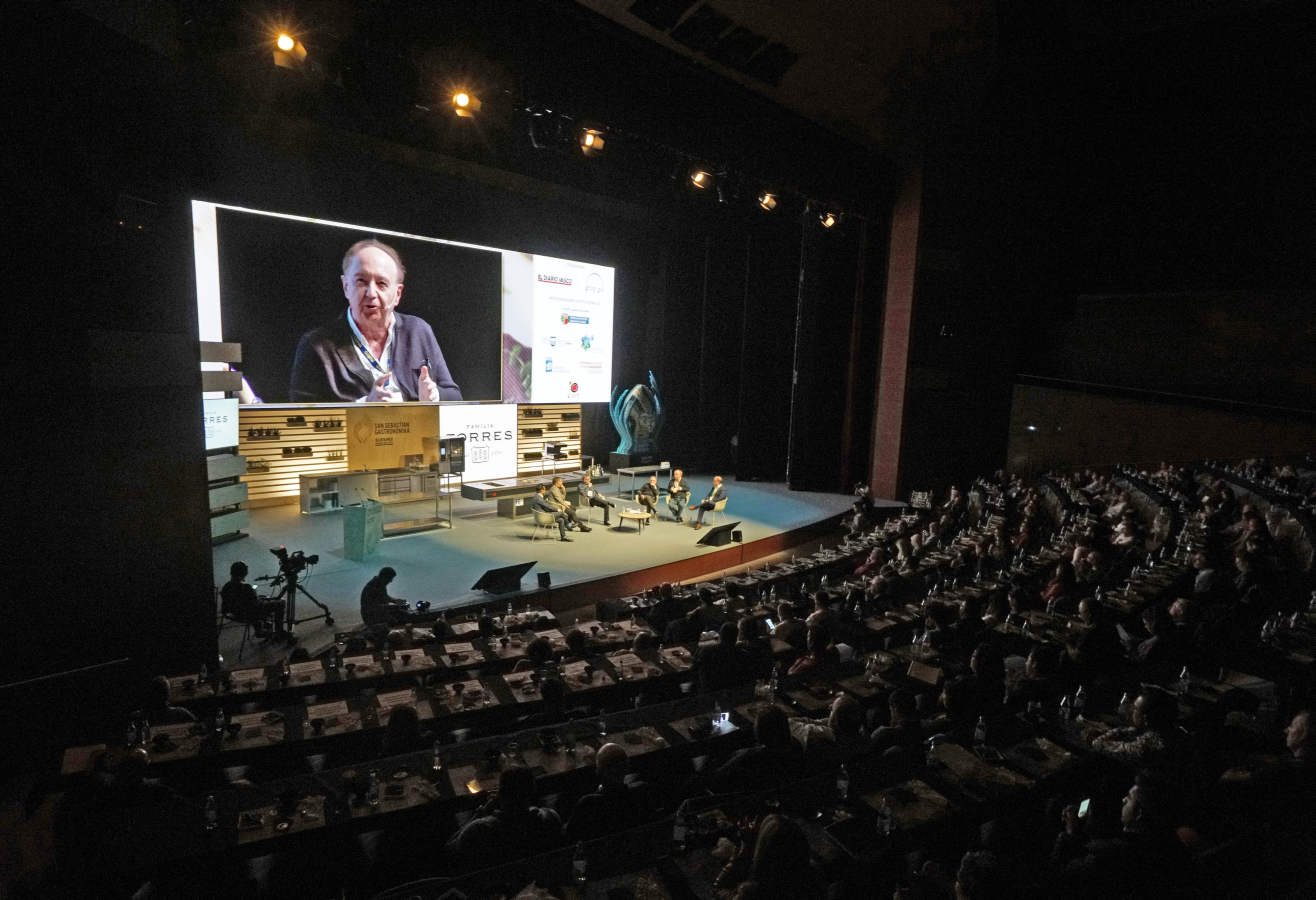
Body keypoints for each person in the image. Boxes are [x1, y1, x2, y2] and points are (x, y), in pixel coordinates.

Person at [289, 239, 461, 402]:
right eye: (361, 281)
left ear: (397, 294)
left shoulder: (418, 331)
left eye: (381, 283)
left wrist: (433, 396)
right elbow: (302, 416)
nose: (371, 293)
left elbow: (454, 396)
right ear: (346, 286)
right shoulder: (316, 345)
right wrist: (365, 407)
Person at [444, 766, 561, 869]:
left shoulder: (479, 829)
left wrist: (481, 813)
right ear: (533, 790)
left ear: (500, 793)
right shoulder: (550, 818)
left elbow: (450, 849)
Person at [564, 742, 649, 841]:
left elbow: (569, 834)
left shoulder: (588, 803)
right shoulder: (642, 791)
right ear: (626, 768)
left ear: (598, 771)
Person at [220, 560, 286, 637]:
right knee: (281, 603)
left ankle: (262, 627)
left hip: (234, 613)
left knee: (261, 601)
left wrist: (259, 597)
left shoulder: (226, 587)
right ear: (244, 573)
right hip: (247, 615)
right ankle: (278, 631)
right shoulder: (246, 587)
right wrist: (264, 598)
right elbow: (256, 604)